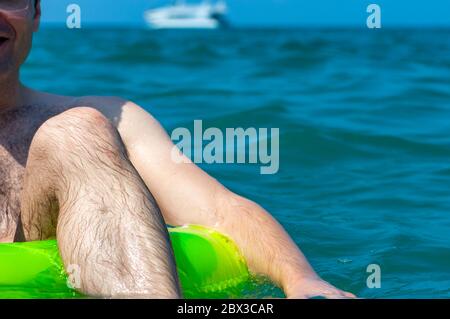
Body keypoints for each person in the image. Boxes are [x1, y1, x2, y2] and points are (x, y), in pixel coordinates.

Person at [0, 0, 355, 299]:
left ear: (37, 15)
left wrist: (301, 279)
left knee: (76, 132)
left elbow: (220, 211)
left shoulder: (105, 119)